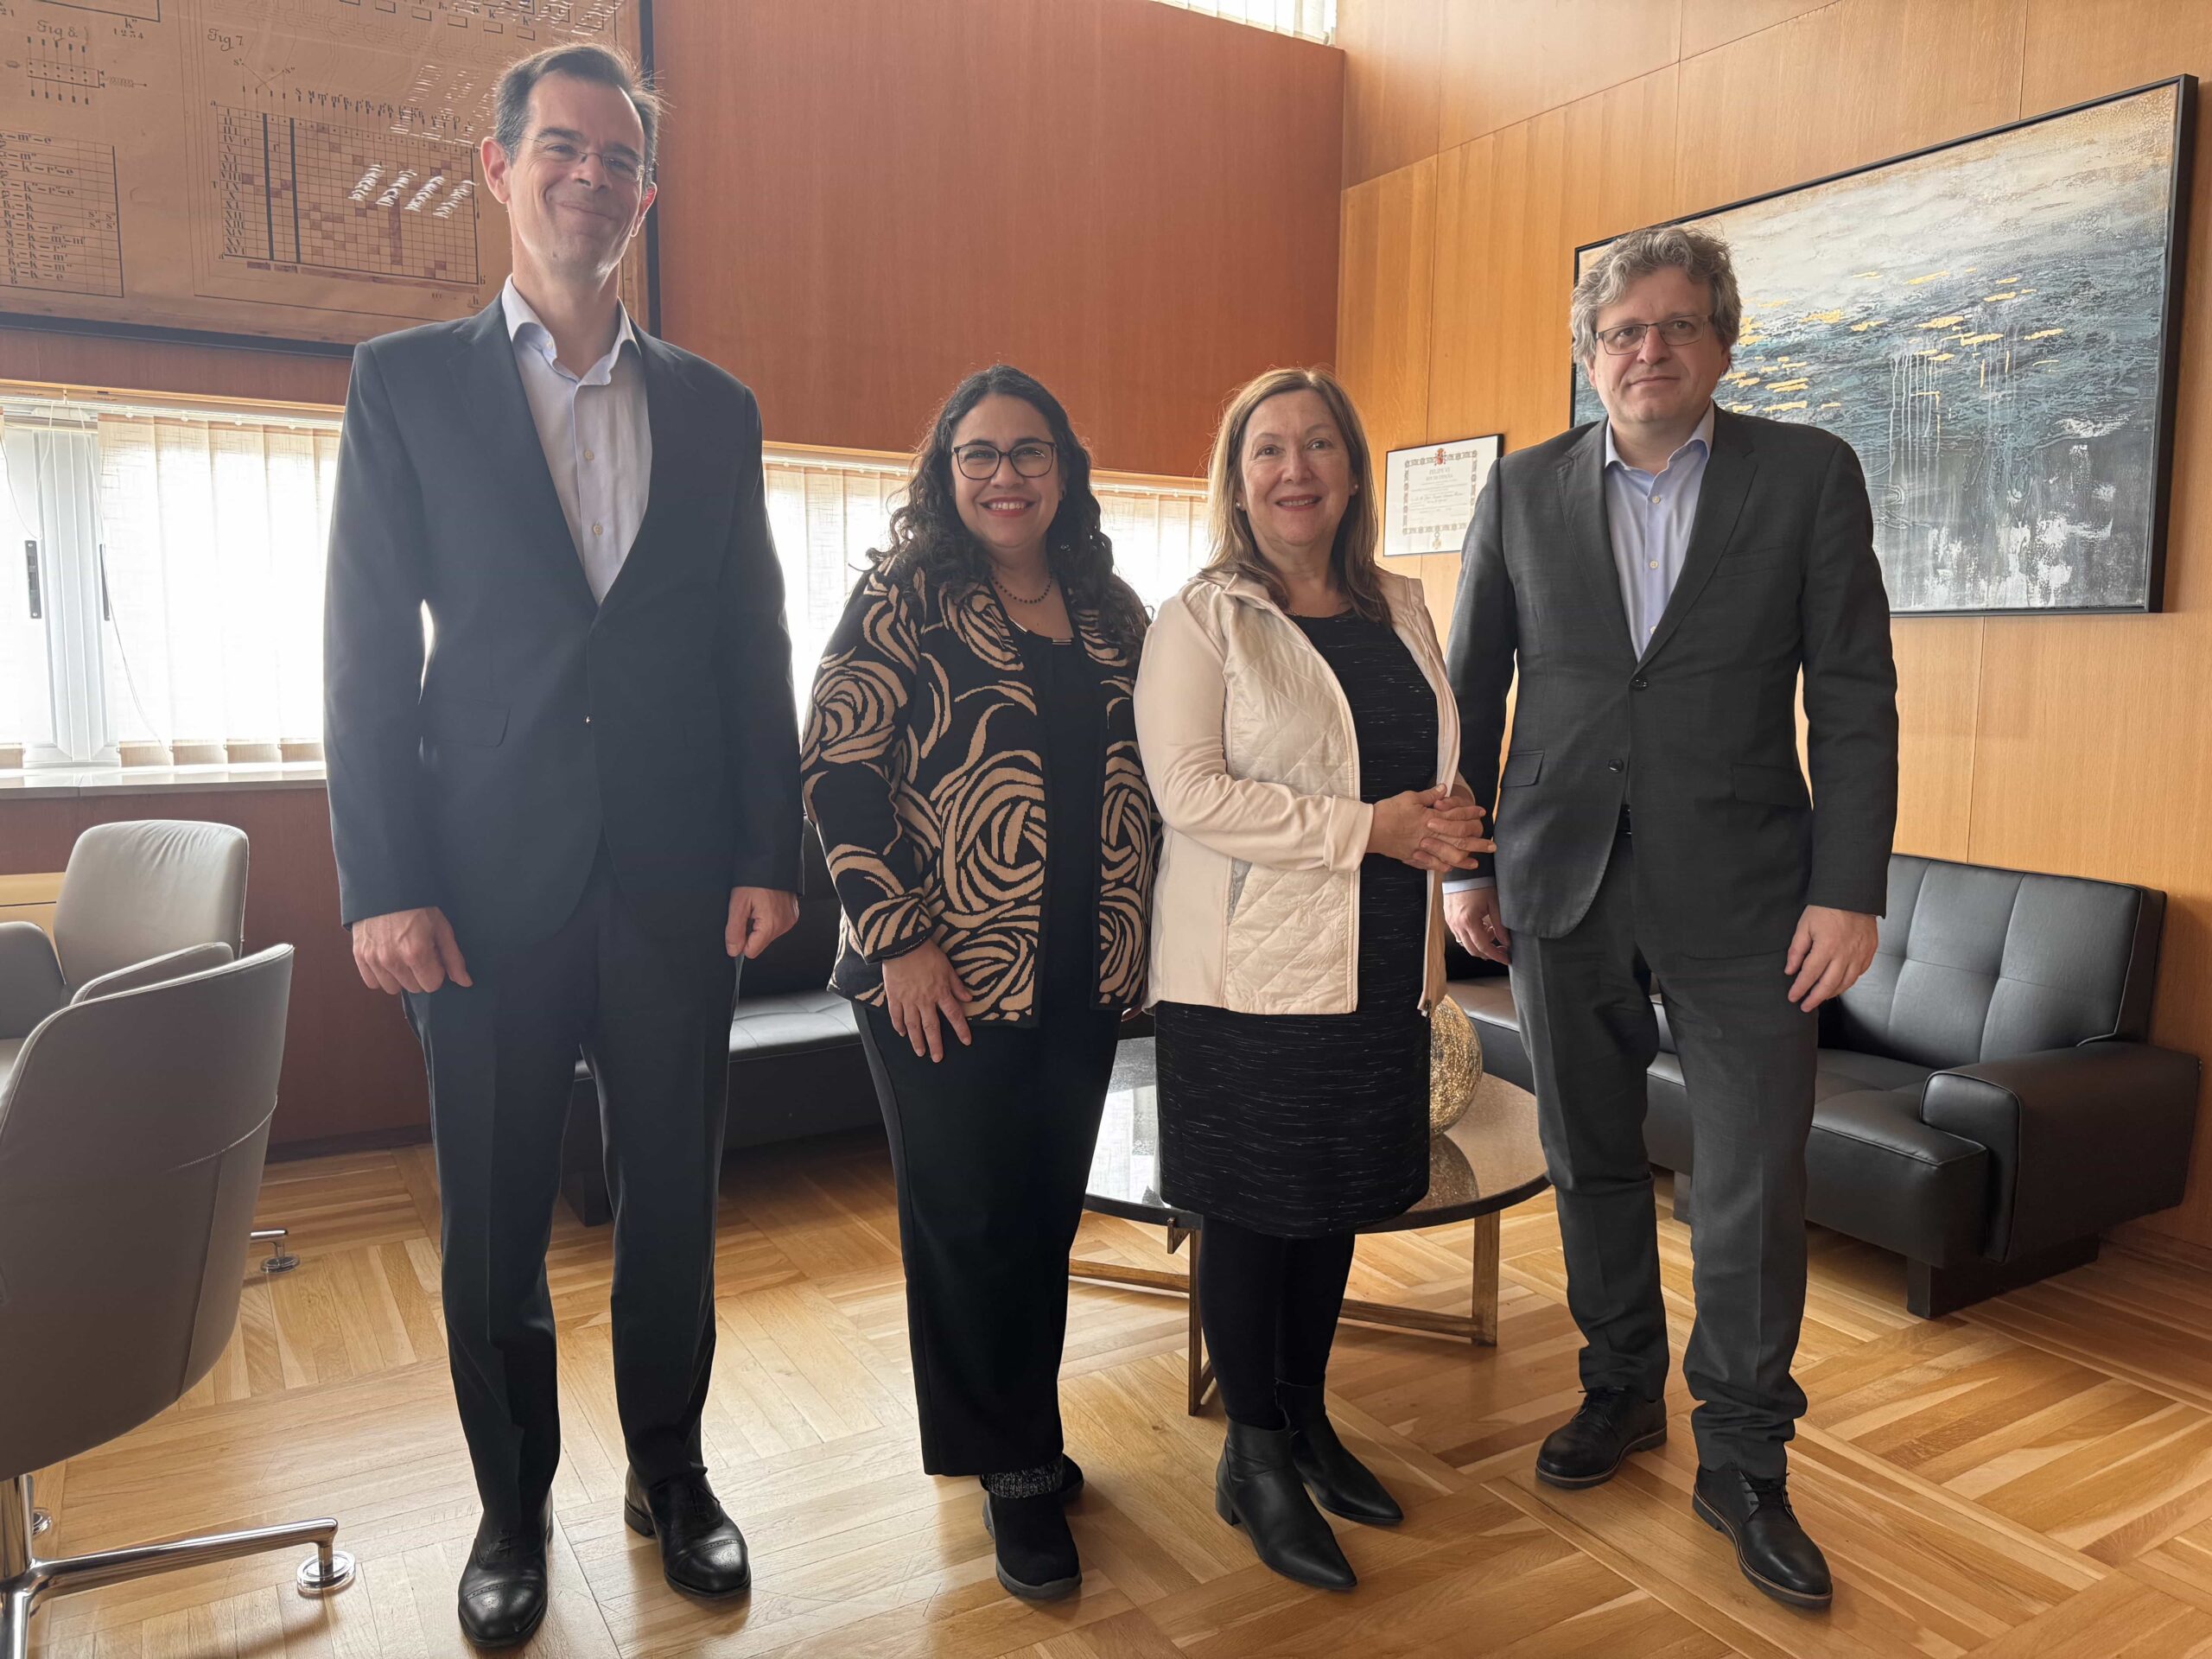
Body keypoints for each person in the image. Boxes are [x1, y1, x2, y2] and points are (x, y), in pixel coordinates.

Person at [322, 43, 800, 1647]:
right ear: (499, 166)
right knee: (497, 1219)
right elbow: (364, 647)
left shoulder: (715, 407)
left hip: (677, 885)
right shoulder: (406, 383)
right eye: (562, 150)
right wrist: (382, 880)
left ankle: (668, 1471)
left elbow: (753, 640)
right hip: (481, 891)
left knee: (672, 1202)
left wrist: (767, 846)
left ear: (645, 195)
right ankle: (510, 1499)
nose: (589, 178)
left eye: (618, 160)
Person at [1445, 224, 1898, 1610]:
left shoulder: (1808, 475)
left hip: (1754, 901)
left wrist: (1851, 886)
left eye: (1679, 325)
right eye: (1625, 329)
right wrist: (1462, 867)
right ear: (1592, 356)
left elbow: (1858, 696)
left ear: (1722, 342)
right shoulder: (1521, 491)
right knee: (1588, 1154)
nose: (1651, 348)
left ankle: (1747, 1457)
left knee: (1755, 1181)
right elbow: (1473, 687)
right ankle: (1618, 1386)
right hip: (1556, 880)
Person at [801, 365, 1155, 1604]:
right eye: (979, 455)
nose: (1006, 474)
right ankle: (1007, 1468)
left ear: (1065, 470)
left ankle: (1024, 1427)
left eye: (1030, 452)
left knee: (1043, 1215)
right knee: (965, 1221)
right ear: (947, 479)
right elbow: (836, 768)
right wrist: (897, 937)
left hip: (1082, 972)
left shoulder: (1114, 609)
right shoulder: (903, 597)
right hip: (938, 973)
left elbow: (1172, 773)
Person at [1135, 367, 1488, 1592]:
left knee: (1334, 1203)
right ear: (1238, 477)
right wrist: (1374, 831)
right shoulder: (1202, 618)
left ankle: (1306, 1416)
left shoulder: (1401, 603)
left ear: (1352, 469)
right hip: (1243, 978)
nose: (1297, 470)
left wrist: (1443, 829)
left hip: (1380, 963)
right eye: (1269, 449)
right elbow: (1190, 795)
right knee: (1252, 1212)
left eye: (1320, 445)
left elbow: (1415, 763)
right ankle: (1256, 1456)